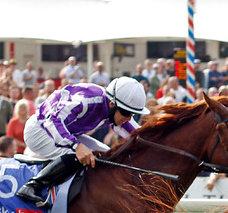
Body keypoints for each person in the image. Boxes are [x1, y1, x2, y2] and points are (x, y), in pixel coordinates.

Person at [15, 77, 148, 205]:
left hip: (67, 131)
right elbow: (53, 121)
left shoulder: (112, 107)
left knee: (107, 156)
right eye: (127, 114)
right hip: (40, 130)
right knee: (78, 155)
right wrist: (76, 146)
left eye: (133, 114)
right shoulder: (85, 101)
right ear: (112, 104)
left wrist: (151, 141)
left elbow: (135, 133)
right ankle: (32, 186)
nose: (129, 118)